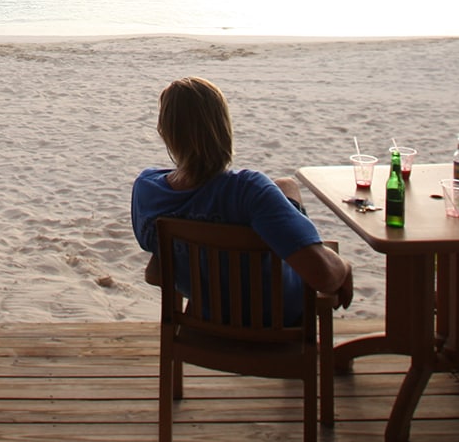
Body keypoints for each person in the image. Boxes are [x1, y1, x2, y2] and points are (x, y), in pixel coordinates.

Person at [132, 76, 354, 315]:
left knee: (286, 185)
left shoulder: (147, 189)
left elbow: (153, 257)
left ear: (165, 131)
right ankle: (307, 245)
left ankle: (301, 243)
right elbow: (324, 278)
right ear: (223, 127)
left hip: (207, 313)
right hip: (275, 318)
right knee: (284, 197)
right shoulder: (248, 191)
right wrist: (343, 267)